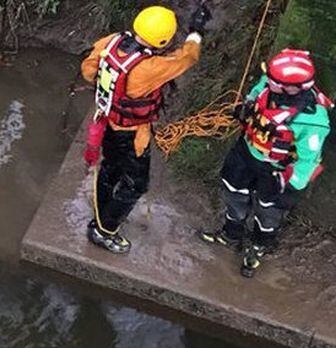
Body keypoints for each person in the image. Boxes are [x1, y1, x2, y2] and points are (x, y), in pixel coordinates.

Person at [81, 3, 211, 253]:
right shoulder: (150, 68)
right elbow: (187, 57)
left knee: (110, 168)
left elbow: (89, 71)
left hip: (107, 122)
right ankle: (105, 230)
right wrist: (196, 31)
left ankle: (102, 210)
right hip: (133, 135)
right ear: (163, 39)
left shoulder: (112, 41)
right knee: (136, 184)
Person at [198, 49, 332, 277]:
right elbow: (257, 92)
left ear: (293, 87)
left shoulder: (313, 121)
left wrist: (289, 184)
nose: (269, 83)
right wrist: (246, 108)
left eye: (275, 82)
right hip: (246, 152)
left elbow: (308, 159)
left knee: (269, 210)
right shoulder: (269, 86)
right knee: (233, 191)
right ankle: (231, 234)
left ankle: (260, 244)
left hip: (276, 170)